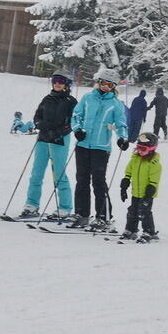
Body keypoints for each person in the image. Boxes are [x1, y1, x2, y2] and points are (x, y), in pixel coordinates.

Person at [69, 67, 129, 230]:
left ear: (114, 87)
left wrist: (123, 138)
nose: (105, 87)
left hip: (101, 147)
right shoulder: (88, 98)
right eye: (103, 83)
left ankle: (103, 217)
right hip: (83, 144)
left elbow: (121, 123)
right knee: (81, 180)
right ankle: (82, 214)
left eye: (110, 85)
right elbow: (76, 115)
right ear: (98, 83)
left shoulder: (116, 104)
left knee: (98, 181)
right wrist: (77, 130)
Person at [20, 71, 78, 220]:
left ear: (66, 84)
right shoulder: (47, 99)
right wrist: (40, 124)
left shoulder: (71, 101)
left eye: (60, 81)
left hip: (59, 141)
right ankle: (31, 205)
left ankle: (65, 207)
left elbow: (73, 122)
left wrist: (58, 132)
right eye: (55, 80)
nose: (57, 83)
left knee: (59, 174)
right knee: (36, 173)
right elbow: (37, 116)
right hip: (43, 140)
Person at [119, 132, 162, 243]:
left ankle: (149, 231)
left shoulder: (154, 163)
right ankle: (131, 230)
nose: (140, 152)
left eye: (143, 149)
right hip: (135, 192)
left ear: (152, 149)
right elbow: (128, 172)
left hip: (147, 193)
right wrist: (124, 185)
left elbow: (154, 181)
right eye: (138, 148)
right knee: (132, 211)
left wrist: (148, 196)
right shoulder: (134, 159)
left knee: (144, 212)